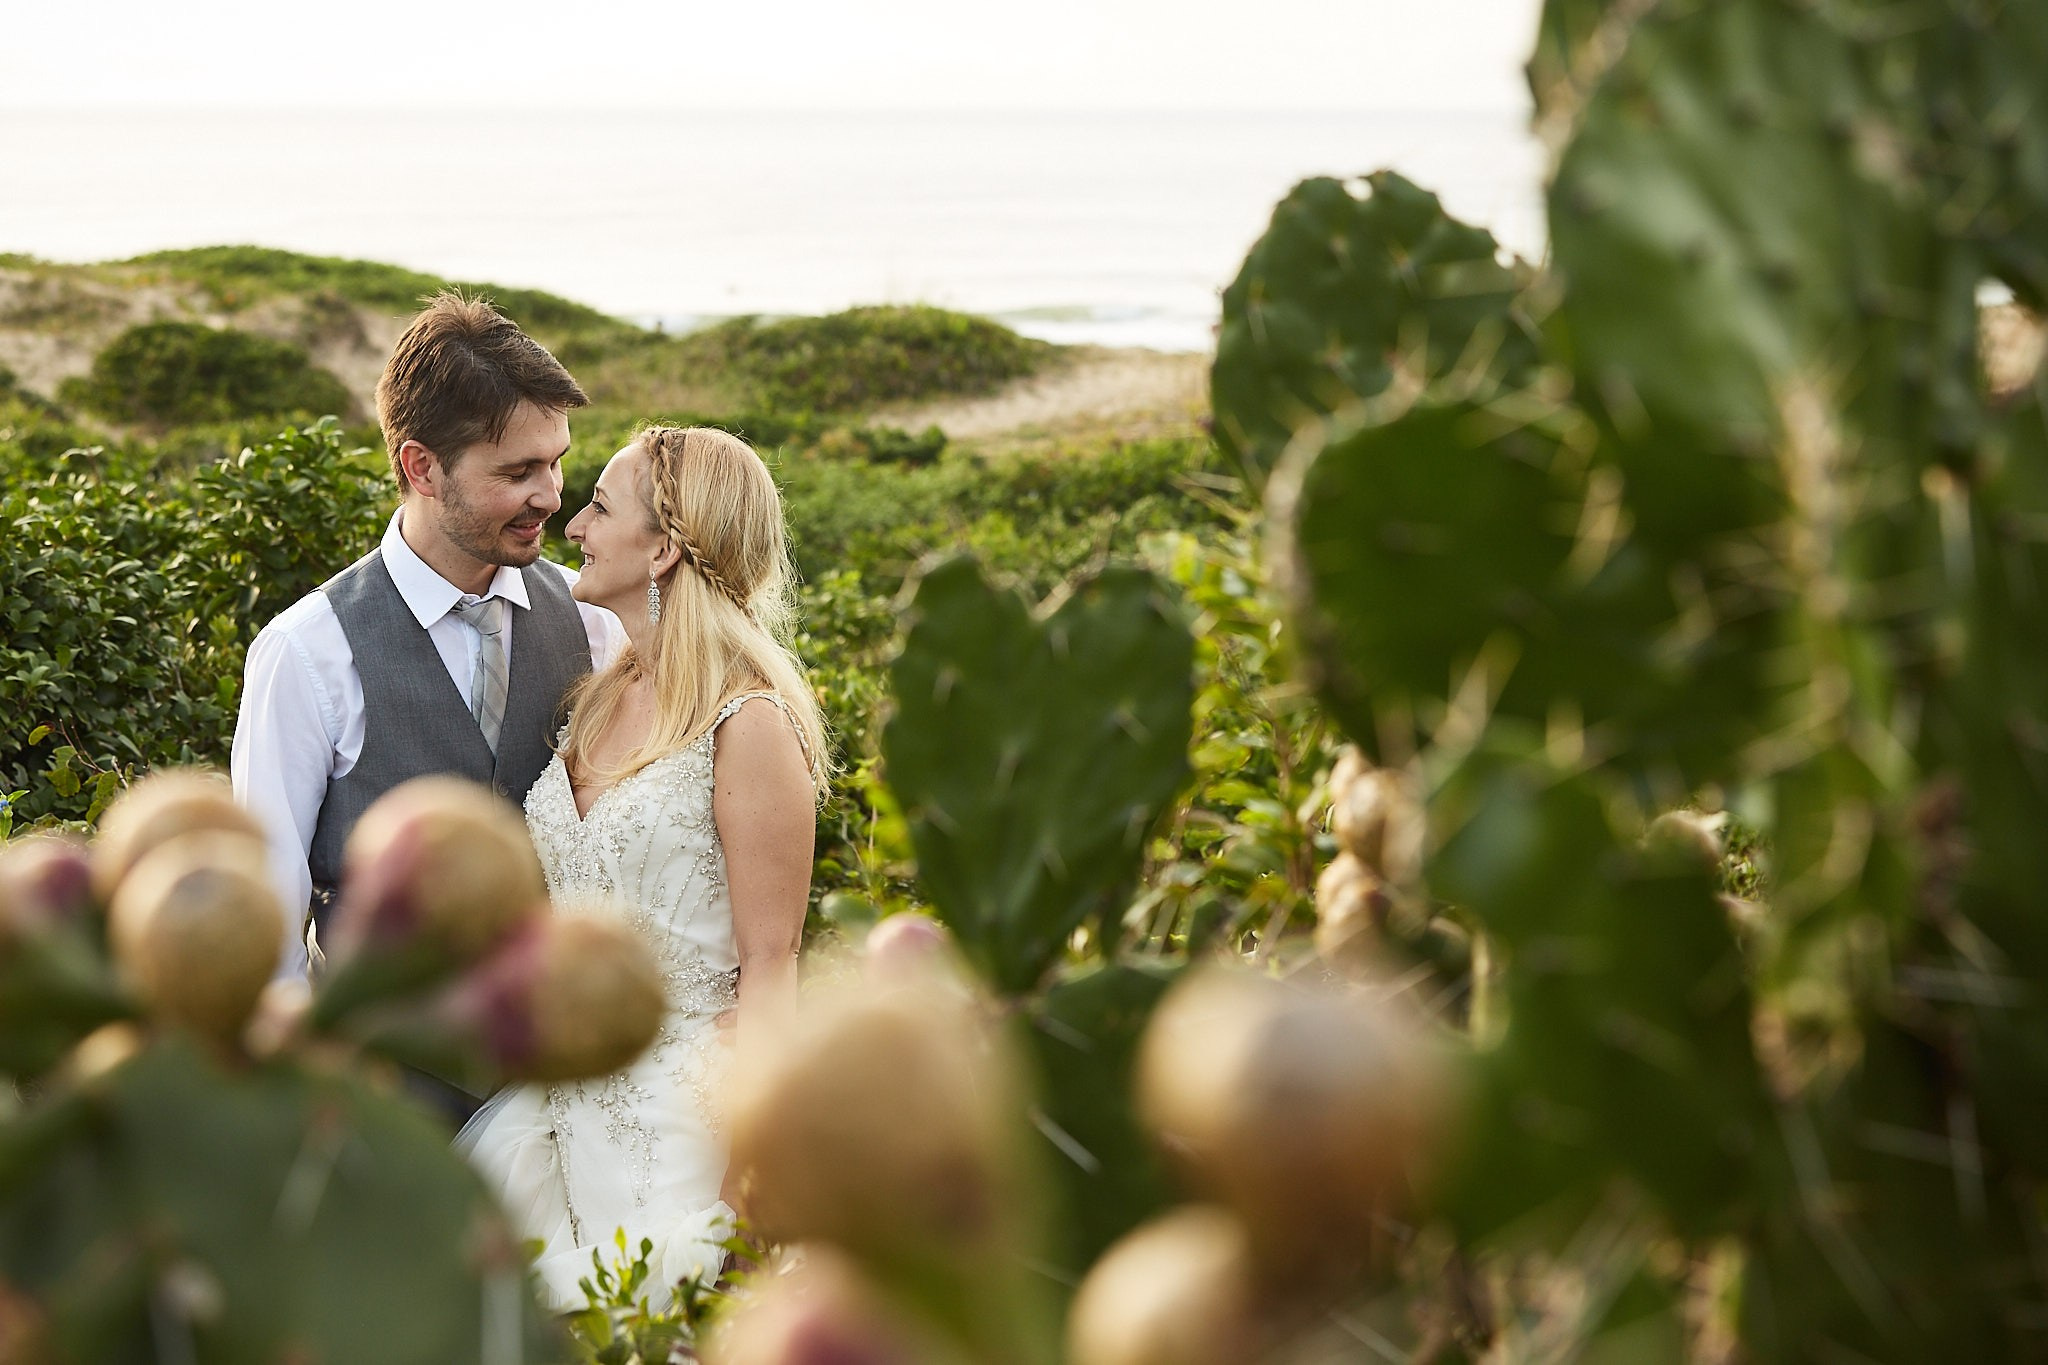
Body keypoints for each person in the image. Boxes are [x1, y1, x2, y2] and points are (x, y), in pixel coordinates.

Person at [458, 424, 828, 1312]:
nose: (574, 523)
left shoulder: (750, 724)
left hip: (682, 1130)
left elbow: (771, 963)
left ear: (663, 547)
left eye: (599, 505)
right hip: (553, 1109)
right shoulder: (599, 695)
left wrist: (748, 1187)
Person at [230, 293, 624, 1028]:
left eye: (557, 462)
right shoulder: (306, 650)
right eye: (518, 471)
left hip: (559, 1072)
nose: (550, 495)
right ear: (421, 466)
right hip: (380, 1089)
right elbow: (268, 905)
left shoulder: (595, 621)